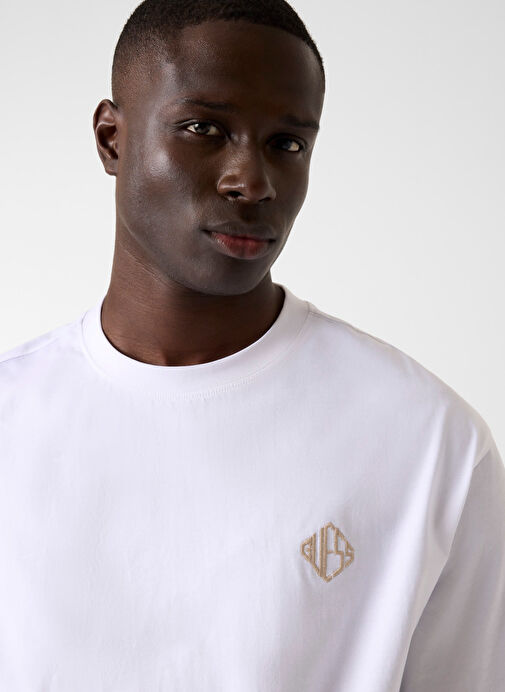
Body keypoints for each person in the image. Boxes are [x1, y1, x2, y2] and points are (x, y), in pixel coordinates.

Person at [0, 1, 503, 690]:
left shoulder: (428, 441)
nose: (252, 181)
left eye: (286, 144)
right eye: (204, 129)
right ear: (111, 139)